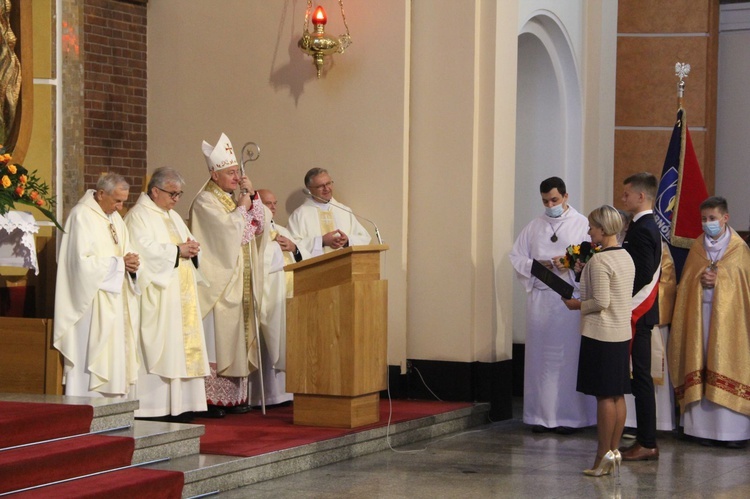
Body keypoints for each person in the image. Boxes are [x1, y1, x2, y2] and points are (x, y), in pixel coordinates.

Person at [510, 176, 596, 433]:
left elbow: (594, 253)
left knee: (567, 359)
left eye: (555, 200)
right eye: (546, 201)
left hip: (568, 301)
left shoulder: (582, 224)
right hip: (540, 301)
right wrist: (536, 265)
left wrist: (569, 261)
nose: (550, 205)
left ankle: (571, 418)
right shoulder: (534, 227)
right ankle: (540, 416)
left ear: (566, 197)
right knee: (541, 360)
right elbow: (516, 257)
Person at [124, 167, 210, 422]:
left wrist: (194, 249)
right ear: (155, 191)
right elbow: (143, 251)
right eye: (172, 193)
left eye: (179, 194)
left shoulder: (171, 216)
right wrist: (176, 251)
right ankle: (155, 407)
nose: (176, 199)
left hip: (180, 295)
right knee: (162, 346)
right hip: (159, 295)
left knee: (180, 347)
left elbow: (187, 242)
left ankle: (182, 405)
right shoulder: (138, 216)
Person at [189, 133, 265, 416]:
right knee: (216, 340)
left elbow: (257, 229)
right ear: (214, 173)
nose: (236, 177)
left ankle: (234, 398)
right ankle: (210, 400)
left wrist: (252, 196)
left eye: (237, 172)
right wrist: (242, 210)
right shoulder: (205, 201)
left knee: (236, 337)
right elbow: (224, 235)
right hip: (217, 284)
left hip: (239, 281)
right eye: (231, 172)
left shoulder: (233, 199)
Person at [668, 196, 750, 449]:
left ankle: (731, 432)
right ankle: (698, 428)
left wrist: (720, 282)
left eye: (712, 219)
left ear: (725, 218)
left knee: (723, 359)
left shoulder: (739, 249)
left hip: (729, 323)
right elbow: (686, 284)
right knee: (698, 358)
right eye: (704, 219)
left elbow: (744, 286)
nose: (707, 224)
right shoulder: (697, 248)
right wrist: (699, 282)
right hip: (699, 318)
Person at [562, 205, 634, 477]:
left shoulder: (601, 260)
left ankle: (601, 456)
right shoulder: (626, 256)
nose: (589, 230)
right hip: (620, 333)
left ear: (603, 230)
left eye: (592, 226)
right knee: (617, 394)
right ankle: (613, 453)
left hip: (600, 334)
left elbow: (601, 302)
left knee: (604, 396)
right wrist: (582, 273)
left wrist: (575, 304)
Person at [53, 173, 140, 398]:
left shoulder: (115, 218)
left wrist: (131, 263)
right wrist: (119, 264)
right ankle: (87, 406)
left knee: (115, 354)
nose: (121, 207)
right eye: (117, 201)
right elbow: (80, 264)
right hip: (90, 302)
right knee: (93, 355)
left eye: (123, 201)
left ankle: (115, 408)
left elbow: (126, 250)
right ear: (101, 194)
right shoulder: (81, 216)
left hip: (115, 298)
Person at [248, 189, 311, 408]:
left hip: (288, 293)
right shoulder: (254, 232)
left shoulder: (282, 229)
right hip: (269, 294)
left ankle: (287, 392)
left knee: (289, 337)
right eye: (267, 203)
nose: (273, 208)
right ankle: (265, 395)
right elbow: (256, 261)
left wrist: (294, 248)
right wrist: (276, 249)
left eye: (274, 203)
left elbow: (303, 254)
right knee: (270, 339)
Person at [619, 172, 662, 461]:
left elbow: (644, 274)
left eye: (626, 195)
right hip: (640, 312)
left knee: (641, 379)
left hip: (639, 311)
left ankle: (647, 442)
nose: (623, 199)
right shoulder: (643, 225)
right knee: (640, 378)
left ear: (641, 196)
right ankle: (646, 440)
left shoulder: (643, 228)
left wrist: (621, 296)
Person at [288, 168, 371, 257]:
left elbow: (364, 238)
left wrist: (347, 241)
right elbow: (292, 246)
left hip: (345, 265)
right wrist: (321, 241)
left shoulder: (344, 211)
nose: (326, 189)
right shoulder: (300, 214)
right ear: (309, 189)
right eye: (320, 186)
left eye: (328, 183)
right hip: (315, 268)